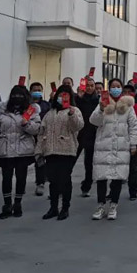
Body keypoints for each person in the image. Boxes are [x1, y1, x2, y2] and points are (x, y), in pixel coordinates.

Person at [90, 82, 137, 221]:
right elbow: (94, 121)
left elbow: (134, 126)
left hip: (121, 146)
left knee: (117, 177)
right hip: (103, 146)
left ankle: (113, 205)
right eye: (113, 86)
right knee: (101, 177)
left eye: (118, 86)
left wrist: (133, 144)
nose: (115, 89)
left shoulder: (128, 106)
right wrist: (101, 109)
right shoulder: (103, 103)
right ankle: (100, 205)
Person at [36, 84, 84, 220]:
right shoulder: (50, 113)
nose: (62, 97)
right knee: (53, 181)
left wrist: (72, 114)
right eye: (60, 94)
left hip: (66, 151)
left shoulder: (74, 110)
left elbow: (78, 126)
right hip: (51, 151)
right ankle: (53, 207)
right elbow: (42, 132)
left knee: (64, 180)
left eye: (65, 95)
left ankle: (65, 207)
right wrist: (39, 150)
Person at [0, 85, 41, 219]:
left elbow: (36, 129)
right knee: (6, 178)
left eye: (20, 96)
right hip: (6, 149)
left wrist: (26, 124)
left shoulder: (31, 110)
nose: (17, 98)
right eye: (14, 95)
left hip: (23, 150)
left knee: (21, 177)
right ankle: (7, 204)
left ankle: (18, 203)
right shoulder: (2, 110)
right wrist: (3, 137)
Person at [74, 76, 100, 197]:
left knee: (89, 164)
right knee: (70, 161)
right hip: (78, 134)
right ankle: (61, 187)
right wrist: (78, 98)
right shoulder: (77, 99)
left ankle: (86, 186)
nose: (89, 88)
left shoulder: (98, 100)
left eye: (92, 86)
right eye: (87, 86)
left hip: (92, 135)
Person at [30, 82, 51, 196]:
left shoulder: (46, 105)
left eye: (39, 90)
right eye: (35, 90)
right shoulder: (28, 105)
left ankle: (40, 183)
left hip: (43, 136)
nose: (37, 92)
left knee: (40, 160)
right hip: (29, 135)